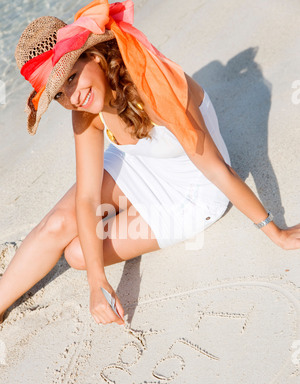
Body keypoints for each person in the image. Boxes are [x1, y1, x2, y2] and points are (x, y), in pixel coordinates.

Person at [0, 0, 299, 327]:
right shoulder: (85, 110)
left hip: (194, 193)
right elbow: (86, 197)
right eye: (58, 94)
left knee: (78, 254)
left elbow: (217, 170)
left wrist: (275, 233)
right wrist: (96, 283)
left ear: (95, 56)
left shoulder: (152, 85)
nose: (72, 97)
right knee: (58, 225)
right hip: (140, 162)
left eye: (71, 77)